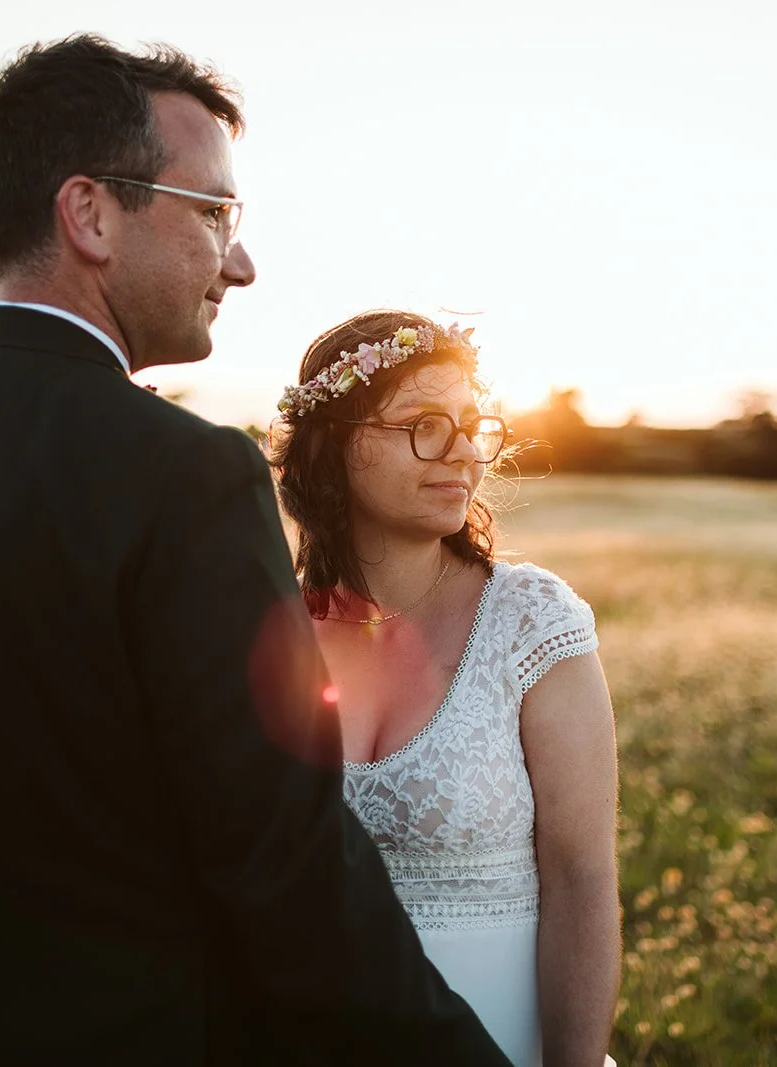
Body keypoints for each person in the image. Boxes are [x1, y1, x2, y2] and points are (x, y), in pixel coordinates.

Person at [0, 37, 511, 1065]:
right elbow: (283, 860)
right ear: (90, 214)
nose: (241, 262)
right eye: (213, 213)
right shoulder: (183, 473)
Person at [268, 310, 623, 1066]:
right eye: (426, 424)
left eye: (473, 424)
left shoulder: (530, 622)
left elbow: (582, 878)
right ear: (335, 443)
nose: (464, 452)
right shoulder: (268, 633)